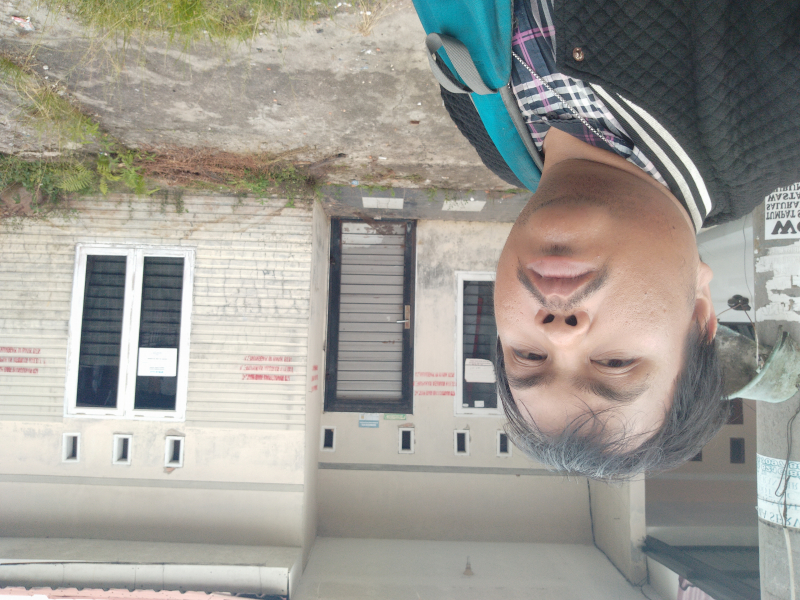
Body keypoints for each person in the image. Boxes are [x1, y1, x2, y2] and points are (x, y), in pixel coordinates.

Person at [430, 0, 800, 478]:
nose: (558, 333)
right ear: (699, 314)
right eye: (615, 362)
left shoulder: (490, 135)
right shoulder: (778, 107)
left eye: (529, 356)